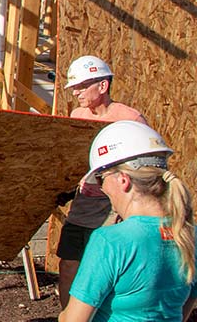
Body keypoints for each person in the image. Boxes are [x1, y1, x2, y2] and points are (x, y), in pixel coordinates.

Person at [58, 120, 197, 322]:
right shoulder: (190, 235)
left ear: (123, 180)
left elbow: (74, 319)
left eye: (100, 179)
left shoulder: (110, 241)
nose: (102, 189)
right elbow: (183, 310)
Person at [56, 55, 149, 309]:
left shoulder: (130, 120)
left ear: (103, 86)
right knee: (68, 266)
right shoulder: (78, 115)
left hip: (115, 209)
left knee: (107, 273)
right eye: (74, 87)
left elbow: (148, 167)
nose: (76, 92)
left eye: (82, 86)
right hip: (84, 205)